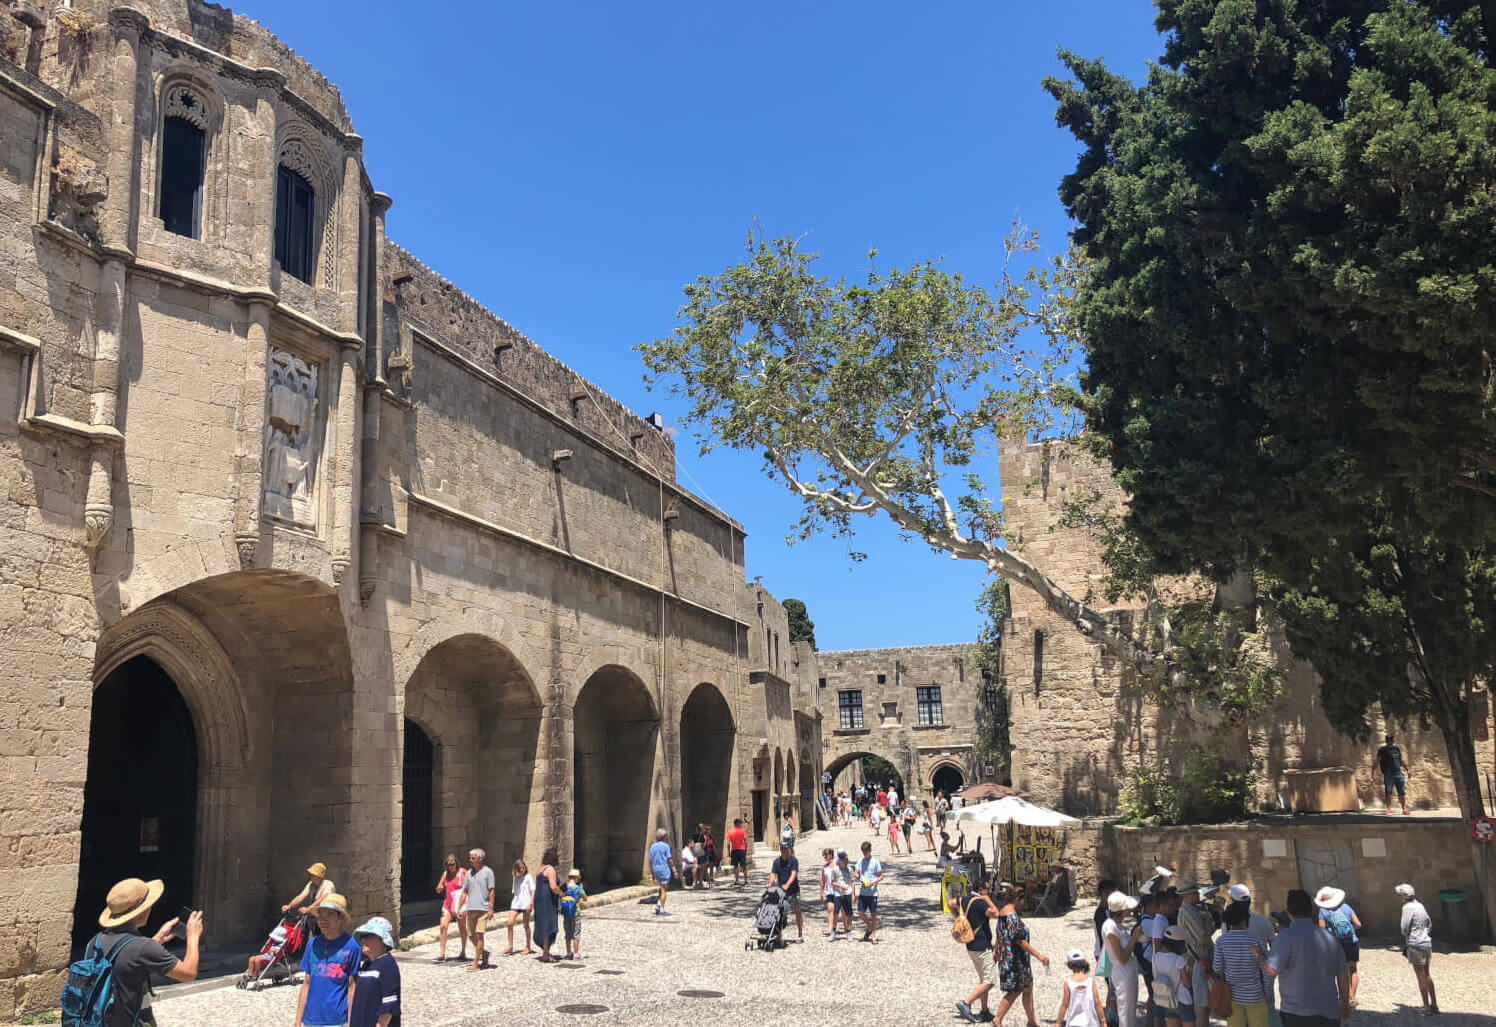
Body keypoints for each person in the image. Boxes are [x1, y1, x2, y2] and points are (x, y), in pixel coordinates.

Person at [87, 877, 203, 1027]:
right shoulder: (143, 948)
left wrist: (158, 939)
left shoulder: (95, 941)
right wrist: (193, 937)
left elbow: (127, 959)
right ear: (141, 911)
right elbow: (188, 973)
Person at [1258, 889, 1350, 1027]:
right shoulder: (1330, 938)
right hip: (1328, 1009)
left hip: (1296, 1011)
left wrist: (1260, 956)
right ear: (1311, 910)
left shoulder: (1285, 937)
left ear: (1288, 912)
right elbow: (1343, 975)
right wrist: (1345, 1002)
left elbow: (1272, 970)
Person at [296, 893, 361, 1027]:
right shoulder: (312, 945)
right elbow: (306, 983)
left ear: (340, 917)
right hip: (311, 1019)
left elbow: (352, 986)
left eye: (329, 915)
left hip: (337, 1020)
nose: (323, 920)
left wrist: (351, 1021)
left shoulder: (351, 946)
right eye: (320, 915)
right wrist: (298, 1021)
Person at [994, 885, 1051, 1027]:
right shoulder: (1011, 916)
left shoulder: (1003, 913)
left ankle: (1032, 1021)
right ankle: (997, 1019)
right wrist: (1039, 956)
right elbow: (1019, 940)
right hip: (1015, 960)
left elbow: (1001, 936)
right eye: (1023, 901)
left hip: (1008, 958)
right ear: (1018, 899)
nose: (1024, 905)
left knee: (1027, 988)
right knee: (1015, 990)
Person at [955, 877, 1003, 1023]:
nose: (990, 891)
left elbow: (951, 903)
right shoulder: (981, 902)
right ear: (981, 890)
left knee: (983, 978)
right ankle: (966, 1002)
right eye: (987, 889)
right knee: (990, 981)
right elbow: (996, 913)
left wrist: (957, 917)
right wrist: (987, 899)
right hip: (982, 946)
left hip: (971, 945)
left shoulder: (964, 900)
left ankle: (984, 1010)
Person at [1214, 903, 1269, 1027]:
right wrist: (1267, 991)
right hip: (1255, 995)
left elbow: (1217, 969)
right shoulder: (1254, 941)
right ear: (1245, 920)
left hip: (1232, 995)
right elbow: (1265, 970)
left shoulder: (1221, 942)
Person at [1102, 890, 1144, 1027]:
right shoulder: (1111, 928)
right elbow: (1121, 959)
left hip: (1128, 971)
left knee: (1130, 1010)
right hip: (1123, 972)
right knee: (1126, 1011)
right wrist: (1134, 939)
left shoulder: (1117, 925)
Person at [1313, 886, 1361, 1005]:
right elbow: (1358, 924)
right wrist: (1349, 930)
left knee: (1339, 971)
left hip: (1335, 944)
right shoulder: (1346, 907)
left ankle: (1342, 997)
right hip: (1352, 941)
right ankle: (1352, 997)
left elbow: (1322, 929)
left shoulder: (1323, 910)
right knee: (1353, 970)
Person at [1177, 884, 1217, 1027]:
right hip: (1198, 960)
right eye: (1194, 893)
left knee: (1204, 1003)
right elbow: (1202, 938)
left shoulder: (1194, 910)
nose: (1197, 895)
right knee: (1201, 1005)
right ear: (1186, 895)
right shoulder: (1187, 912)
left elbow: (1208, 932)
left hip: (1202, 959)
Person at [350, 916, 400, 1027]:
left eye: (369, 936)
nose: (363, 940)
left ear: (382, 940)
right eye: (362, 937)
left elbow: (389, 1004)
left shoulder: (387, 964)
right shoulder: (366, 966)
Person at [1395, 883, 1437, 1014]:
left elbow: (1404, 928)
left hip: (1415, 943)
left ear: (1403, 897)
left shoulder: (1407, 907)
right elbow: (1429, 923)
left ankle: (1425, 1005)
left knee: (1420, 976)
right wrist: (1424, 933)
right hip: (1426, 942)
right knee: (1427, 973)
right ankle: (1434, 1004)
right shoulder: (1420, 905)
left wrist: (1410, 935)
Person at [1150, 926, 1194, 1027]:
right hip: (1184, 1001)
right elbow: (1187, 984)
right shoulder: (1179, 960)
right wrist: (1191, 968)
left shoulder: (1155, 957)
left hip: (1168, 1000)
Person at [462, 848, 495, 972]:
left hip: (483, 909)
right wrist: (459, 907)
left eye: (473, 858)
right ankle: (484, 953)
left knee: (479, 935)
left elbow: (491, 891)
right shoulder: (468, 873)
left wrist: (491, 908)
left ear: (480, 858)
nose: (470, 860)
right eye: (470, 858)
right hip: (471, 908)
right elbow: (464, 891)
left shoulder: (488, 872)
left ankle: (476, 962)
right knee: (471, 935)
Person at [1055, 949, 1106, 1027]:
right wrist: (1103, 1021)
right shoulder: (1090, 982)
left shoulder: (1068, 983)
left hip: (1074, 1023)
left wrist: (1058, 1023)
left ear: (1070, 965)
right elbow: (1097, 1002)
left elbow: (1064, 1004)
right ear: (1083, 963)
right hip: (1091, 1023)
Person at [434, 854, 467, 963]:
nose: (451, 867)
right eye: (448, 865)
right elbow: (439, 887)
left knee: (462, 928)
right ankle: (442, 953)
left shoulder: (462, 872)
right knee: (443, 926)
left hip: (459, 905)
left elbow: (469, 886)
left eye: (452, 864)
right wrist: (439, 888)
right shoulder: (445, 874)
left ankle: (463, 951)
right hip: (448, 904)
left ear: (456, 863)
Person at [769, 840, 804, 942]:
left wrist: (787, 884)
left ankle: (800, 932)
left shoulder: (793, 861)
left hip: (793, 891)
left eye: (785, 848)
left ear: (789, 849)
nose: (783, 851)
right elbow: (773, 874)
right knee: (780, 912)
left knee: (797, 911)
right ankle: (778, 933)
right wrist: (769, 883)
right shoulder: (776, 862)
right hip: (782, 892)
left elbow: (793, 874)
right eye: (782, 849)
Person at [532, 847, 562, 962]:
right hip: (547, 900)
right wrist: (562, 894)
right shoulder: (550, 870)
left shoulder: (540, 869)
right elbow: (553, 887)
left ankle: (546, 951)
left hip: (539, 900)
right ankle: (545, 953)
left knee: (542, 923)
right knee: (548, 924)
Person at [854, 840, 884, 943]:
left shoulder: (875, 862)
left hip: (872, 893)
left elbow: (881, 876)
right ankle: (870, 926)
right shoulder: (860, 862)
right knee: (860, 912)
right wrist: (857, 876)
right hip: (863, 891)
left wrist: (873, 883)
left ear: (870, 851)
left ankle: (874, 936)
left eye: (866, 852)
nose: (865, 854)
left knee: (873, 914)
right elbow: (856, 873)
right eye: (863, 852)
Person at [503, 858, 533, 956]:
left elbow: (533, 890)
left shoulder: (528, 877)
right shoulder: (515, 878)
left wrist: (531, 903)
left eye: (523, 868)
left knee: (525, 924)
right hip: (516, 903)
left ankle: (528, 946)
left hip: (526, 903)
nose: (521, 870)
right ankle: (510, 945)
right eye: (520, 868)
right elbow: (515, 891)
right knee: (510, 923)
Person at [1376, 733, 1411, 815]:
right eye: (1388, 740)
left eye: (1391, 740)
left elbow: (1401, 761)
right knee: (1388, 792)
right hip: (1388, 775)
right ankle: (1389, 809)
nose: (1389, 742)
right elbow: (1377, 761)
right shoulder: (1382, 750)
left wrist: (1407, 770)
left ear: (1393, 740)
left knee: (1401, 792)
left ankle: (1404, 809)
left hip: (1398, 774)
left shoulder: (1396, 749)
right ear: (1386, 741)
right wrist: (1372, 772)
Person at [561, 868, 586, 960]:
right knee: (576, 933)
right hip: (576, 913)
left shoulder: (564, 886)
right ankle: (576, 953)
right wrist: (581, 889)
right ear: (577, 878)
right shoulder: (578, 888)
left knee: (568, 933)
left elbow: (561, 895)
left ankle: (568, 952)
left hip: (566, 913)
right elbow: (585, 898)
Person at [648, 829, 674, 916]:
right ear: (664, 837)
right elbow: (669, 859)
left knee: (661, 887)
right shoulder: (666, 846)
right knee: (664, 890)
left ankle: (659, 903)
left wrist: (652, 873)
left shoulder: (652, 846)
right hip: (664, 869)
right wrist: (674, 870)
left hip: (656, 869)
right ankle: (661, 909)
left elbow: (650, 861)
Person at [726, 818, 749, 886]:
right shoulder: (743, 831)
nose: (741, 825)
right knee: (744, 866)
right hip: (742, 850)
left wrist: (728, 852)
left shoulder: (730, 831)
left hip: (734, 850)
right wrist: (745, 850)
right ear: (737, 823)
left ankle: (737, 880)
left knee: (735, 866)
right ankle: (745, 880)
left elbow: (728, 843)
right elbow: (745, 842)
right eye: (740, 823)